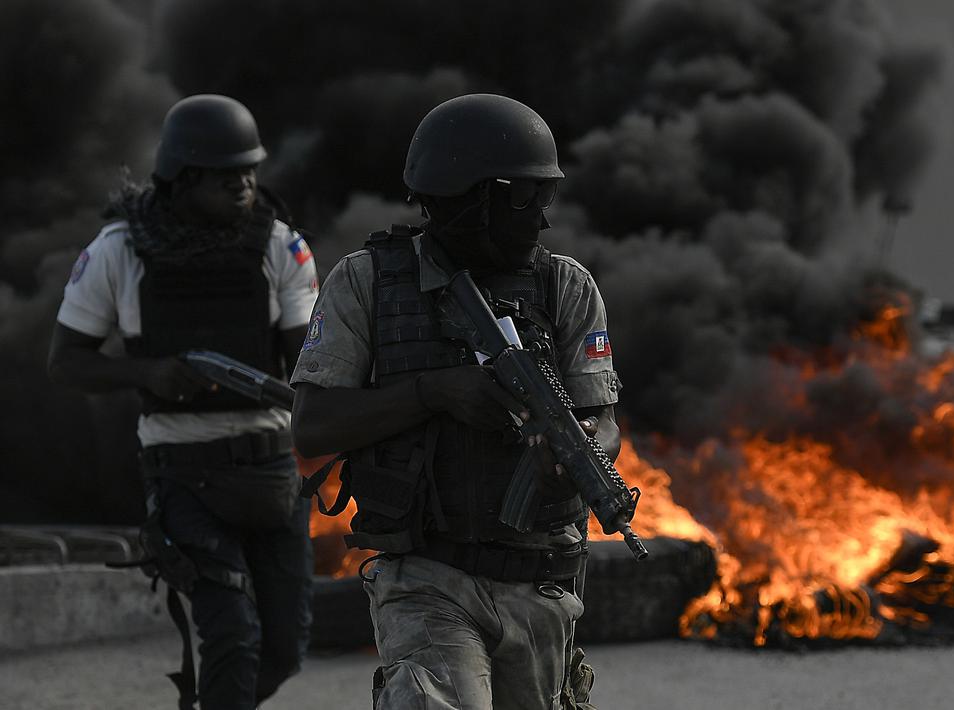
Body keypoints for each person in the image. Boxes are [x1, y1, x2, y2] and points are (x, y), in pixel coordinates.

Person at [292, 93, 621, 709]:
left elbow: (601, 422)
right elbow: (312, 426)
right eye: (524, 197)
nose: (541, 219)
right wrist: (435, 393)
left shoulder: (565, 286)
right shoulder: (368, 282)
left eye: (544, 198)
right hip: (424, 576)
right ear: (471, 198)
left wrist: (572, 453)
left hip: (539, 581)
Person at [46, 94, 318, 710]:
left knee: (285, 648)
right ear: (185, 177)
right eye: (227, 175)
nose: (245, 184)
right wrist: (152, 373)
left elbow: (309, 363)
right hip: (183, 475)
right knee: (233, 637)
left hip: (272, 473)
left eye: (250, 170)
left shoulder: (279, 245)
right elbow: (67, 362)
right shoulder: (119, 249)